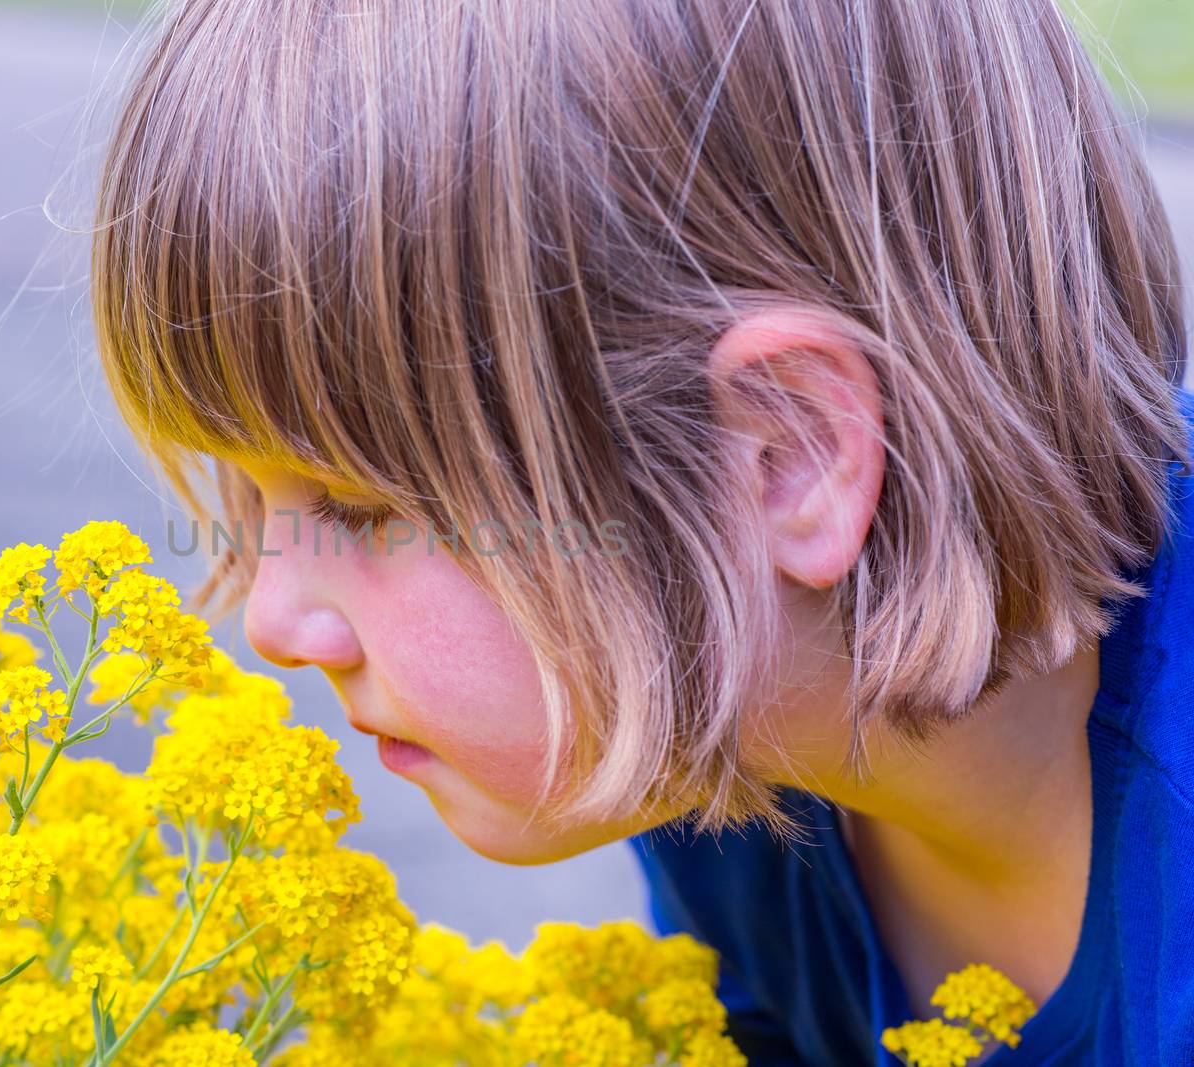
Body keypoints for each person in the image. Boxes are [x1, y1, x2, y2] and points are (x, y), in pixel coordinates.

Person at [87, 0, 1193, 1061]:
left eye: (364, 508)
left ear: (786, 455)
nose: (273, 622)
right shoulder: (715, 711)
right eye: (248, 496)